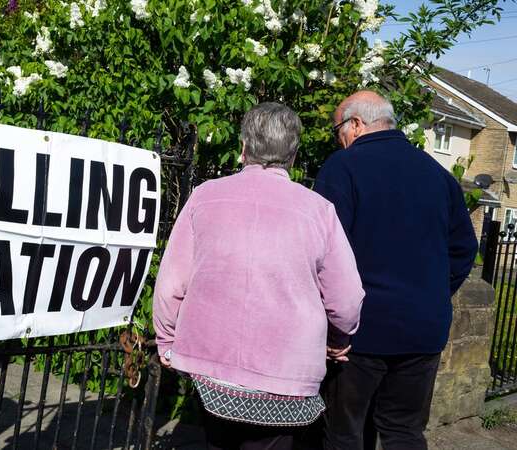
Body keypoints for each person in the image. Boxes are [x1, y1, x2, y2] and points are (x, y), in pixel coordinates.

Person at [153, 102, 365, 450]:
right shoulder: (319, 211)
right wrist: (340, 338)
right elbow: (346, 297)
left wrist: (166, 338)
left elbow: (172, 282)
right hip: (286, 373)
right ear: (293, 156)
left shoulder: (204, 196)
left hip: (214, 368)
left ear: (243, 148)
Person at [314, 91, 479, 450]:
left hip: (359, 331)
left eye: (338, 129)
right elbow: (465, 247)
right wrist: (431, 293)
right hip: (423, 328)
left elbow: (322, 252)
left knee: (344, 432)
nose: (338, 138)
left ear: (356, 124)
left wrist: (330, 322)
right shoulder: (438, 175)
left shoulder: (343, 167)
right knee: (403, 431)